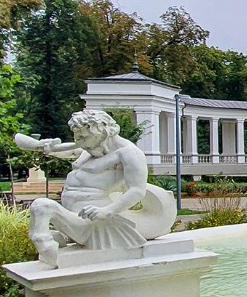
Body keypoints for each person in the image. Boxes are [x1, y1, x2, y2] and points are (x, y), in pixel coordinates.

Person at [21, 109, 175, 267]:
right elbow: (67, 150)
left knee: (41, 206)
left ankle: (48, 247)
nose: (79, 141)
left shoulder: (130, 154)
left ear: (102, 131)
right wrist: (44, 147)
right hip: (76, 212)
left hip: (94, 217)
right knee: (44, 209)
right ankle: (62, 237)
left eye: (83, 137)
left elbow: (137, 190)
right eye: (77, 137)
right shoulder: (92, 149)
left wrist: (107, 211)